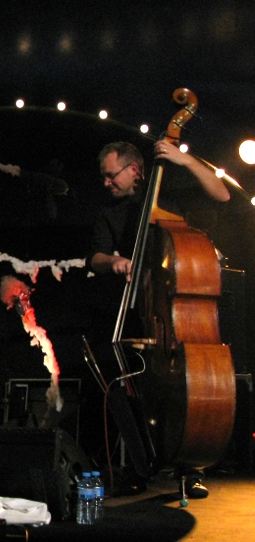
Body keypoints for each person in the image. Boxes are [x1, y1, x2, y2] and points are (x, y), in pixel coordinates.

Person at [87, 139, 230, 499]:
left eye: (110, 176)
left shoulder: (169, 194)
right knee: (119, 389)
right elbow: (94, 258)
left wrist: (186, 159)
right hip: (138, 313)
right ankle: (139, 467)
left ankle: (189, 468)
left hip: (175, 317)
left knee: (185, 389)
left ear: (134, 170)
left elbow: (222, 195)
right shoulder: (108, 213)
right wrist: (114, 262)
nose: (106, 183)